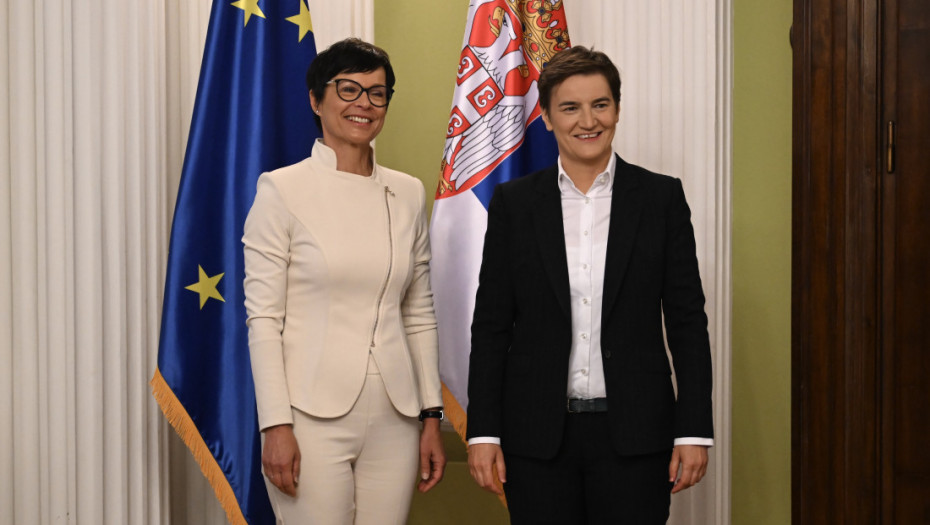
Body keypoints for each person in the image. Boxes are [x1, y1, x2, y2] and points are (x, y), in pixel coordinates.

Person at [466, 46, 714, 524]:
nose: (588, 121)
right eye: (570, 107)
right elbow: (491, 326)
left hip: (637, 438)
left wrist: (693, 430)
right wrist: (483, 432)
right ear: (546, 117)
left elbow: (687, 322)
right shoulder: (514, 204)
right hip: (535, 440)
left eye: (600, 104)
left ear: (617, 109)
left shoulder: (660, 199)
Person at [242, 38, 445, 525]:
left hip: (397, 416)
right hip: (309, 414)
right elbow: (263, 319)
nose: (364, 104)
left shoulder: (408, 192)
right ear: (317, 100)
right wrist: (275, 424)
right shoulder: (281, 189)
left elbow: (418, 313)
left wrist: (431, 416)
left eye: (377, 93)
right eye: (348, 89)